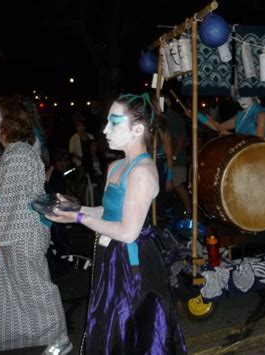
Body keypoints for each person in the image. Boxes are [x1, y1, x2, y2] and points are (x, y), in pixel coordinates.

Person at [46, 93, 187, 354]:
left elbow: (128, 231)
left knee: (130, 332)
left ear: (137, 129)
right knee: (107, 325)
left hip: (133, 264)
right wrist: (73, 210)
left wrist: (79, 218)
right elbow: (109, 212)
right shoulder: (115, 166)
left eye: (114, 123)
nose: (104, 129)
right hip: (110, 256)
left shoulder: (142, 172)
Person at [0, 97, 71, 354]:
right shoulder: (16, 153)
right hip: (16, 233)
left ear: (9, 122)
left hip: (21, 235)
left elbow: (6, 209)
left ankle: (60, 340)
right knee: (4, 293)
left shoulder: (18, 155)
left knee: (36, 290)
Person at [164, 96, 191, 215]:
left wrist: (174, 155)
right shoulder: (163, 117)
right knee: (170, 185)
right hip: (167, 157)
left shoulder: (174, 117)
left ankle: (189, 211)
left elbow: (181, 137)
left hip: (177, 158)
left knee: (178, 184)